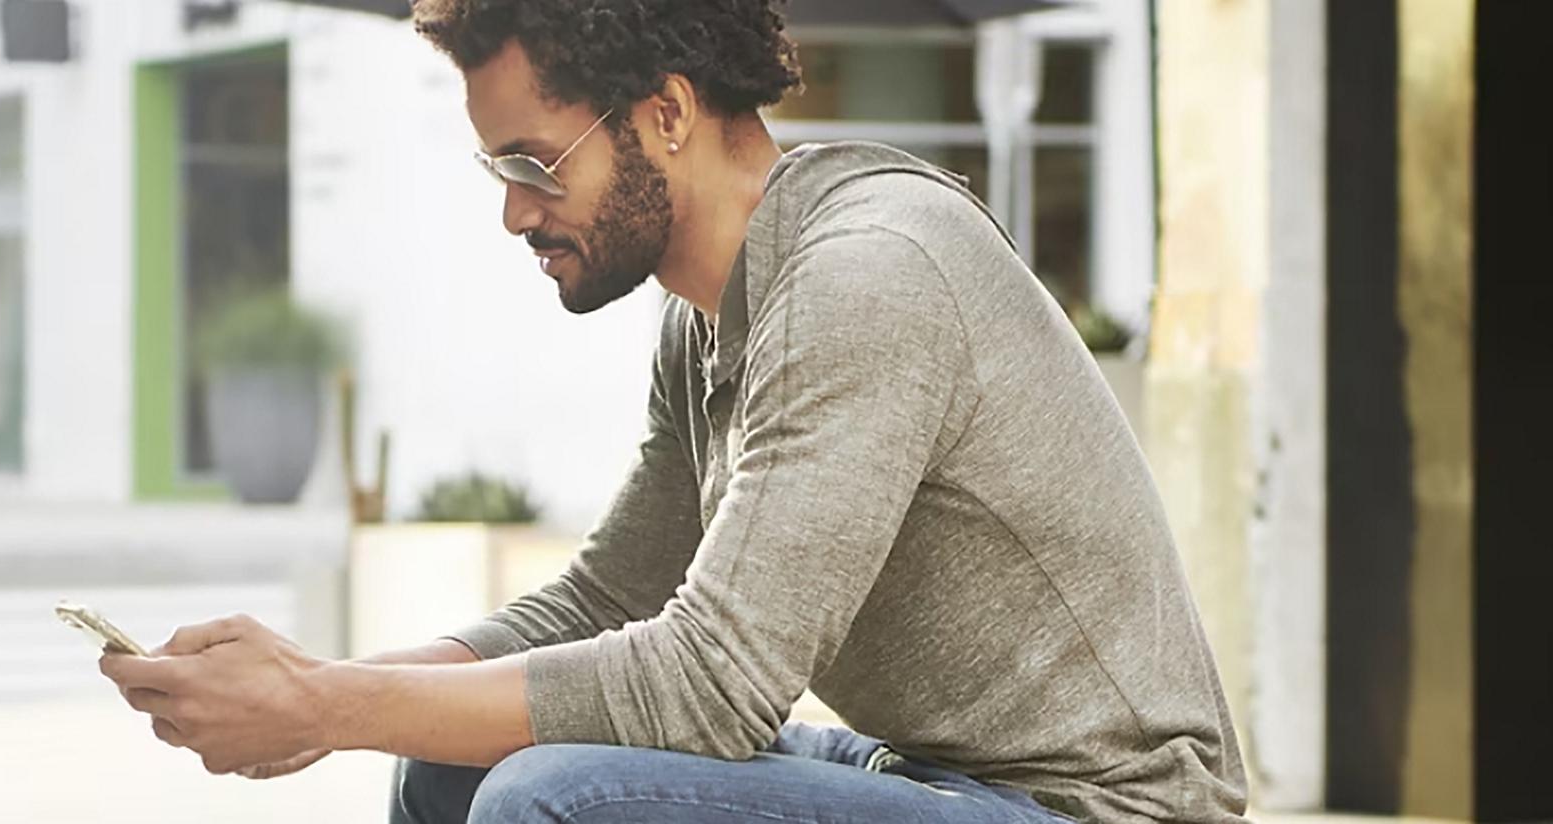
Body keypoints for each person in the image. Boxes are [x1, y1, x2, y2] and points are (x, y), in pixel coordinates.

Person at [99, 1, 1250, 821]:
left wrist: (328, 704)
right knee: (441, 768)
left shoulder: (867, 273)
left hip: (1091, 807)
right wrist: (321, 685)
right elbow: (609, 597)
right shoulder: (709, 314)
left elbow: (712, 684)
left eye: (536, 165)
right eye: (495, 169)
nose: (512, 214)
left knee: (552, 796)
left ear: (664, 113)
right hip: (920, 772)